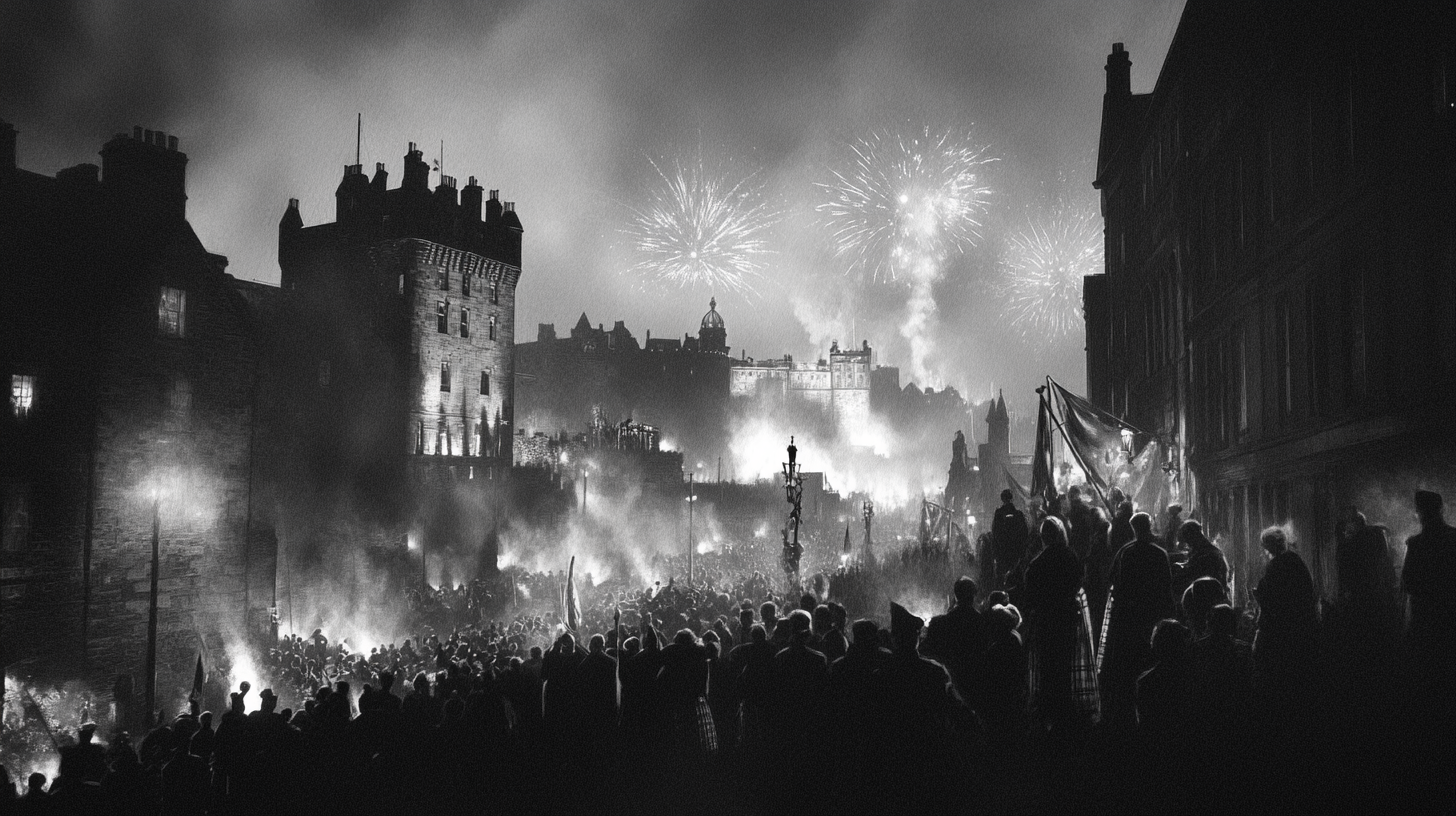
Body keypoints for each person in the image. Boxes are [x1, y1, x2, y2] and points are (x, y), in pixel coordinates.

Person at [1100, 512, 1174, 729]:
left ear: (1134, 529)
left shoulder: (1126, 553)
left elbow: (1114, 583)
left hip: (1130, 616)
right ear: (1149, 526)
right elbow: (1166, 586)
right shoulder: (1159, 553)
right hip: (1152, 614)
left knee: (1130, 664)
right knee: (1151, 657)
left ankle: (1127, 714)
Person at [1024, 516, 1096, 733]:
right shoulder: (1069, 557)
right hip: (1066, 618)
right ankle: (1064, 708)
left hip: (1045, 620)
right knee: (1065, 663)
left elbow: (1030, 595)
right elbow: (1078, 582)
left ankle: (1048, 709)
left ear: (1043, 536)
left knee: (1047, 664)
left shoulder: (1037, 563)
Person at [1251, 526, 1316, 690]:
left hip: (1282, 628)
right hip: (1301, 624)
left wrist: (1260, 595)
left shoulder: (1277, 564)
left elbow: (1272, 597)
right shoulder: (1295, 560)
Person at [923, 576, 989, 712]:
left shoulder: (939, 623)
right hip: (975, 684)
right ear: (974, 595)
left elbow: (927, 652)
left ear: (955, 595)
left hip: (949, 684)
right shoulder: (983, 623)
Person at [991, 490, 1029, 586]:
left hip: (1002, 554)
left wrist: (997, 553)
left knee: (1001, 581)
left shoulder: (999, 514)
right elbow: (1025, 534)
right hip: (1016, 554)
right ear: (1012, 498)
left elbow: (995, 534)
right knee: (1016, 580)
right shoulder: (1019, 514)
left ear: (1002, 499)